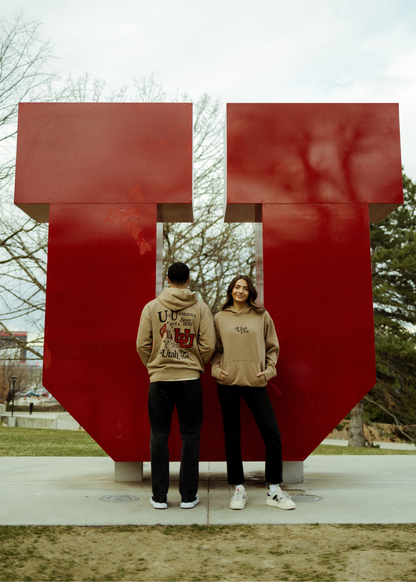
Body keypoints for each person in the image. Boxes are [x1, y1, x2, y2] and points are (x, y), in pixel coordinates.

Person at [211, 275, 296, 511]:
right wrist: (217, 370)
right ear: (231, 290)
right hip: (227, 383)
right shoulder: (219, 317)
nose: (240, 291)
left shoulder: (262, 316)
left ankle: (274, 490)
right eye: (237, 287)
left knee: (272, 436)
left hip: (256, 382)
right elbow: (215, 350)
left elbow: (272, 347)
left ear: (250, 293)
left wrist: (269, 371)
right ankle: (238, 489)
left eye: (245, 288)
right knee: (232, 438)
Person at [137, 262, 215, 510]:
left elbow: (142, 344)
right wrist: (194, 363)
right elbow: (208, 346)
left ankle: (159, 496)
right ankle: (188, 496)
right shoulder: (201, 308)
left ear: (167, 279)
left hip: (160, 380)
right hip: (189, 380)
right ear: (189, 280)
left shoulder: (151, 307)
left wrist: (155, 365)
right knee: (190, 436)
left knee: (159, 436)